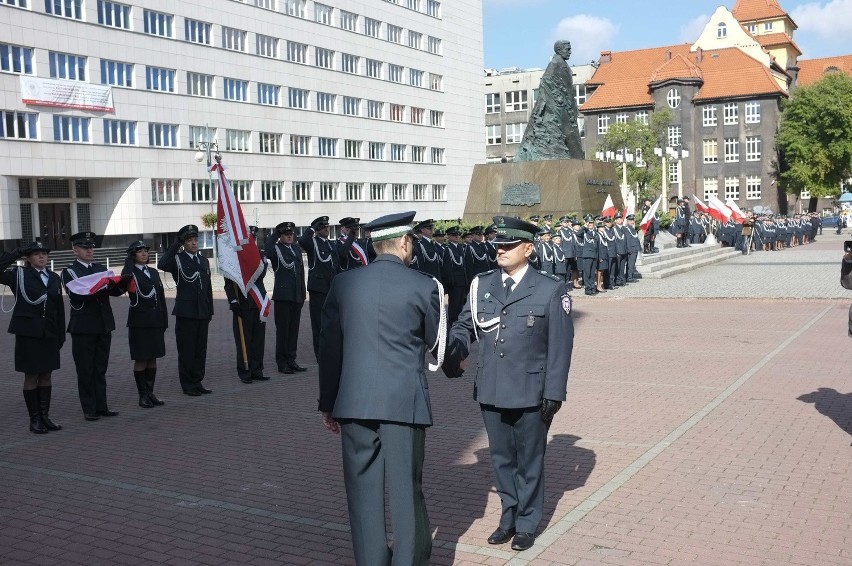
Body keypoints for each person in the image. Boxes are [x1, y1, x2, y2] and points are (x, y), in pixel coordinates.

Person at [319, 211, 445, 566]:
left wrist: (327, 403)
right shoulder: (423, 285)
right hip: (403, 403)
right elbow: (437, 344)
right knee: (407, 492)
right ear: (404, 242)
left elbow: (329, 349)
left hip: (354, 403)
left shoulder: (344, 283)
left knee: (362, 495)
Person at [444, 215, 573, 552]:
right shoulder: (482, 284)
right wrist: (457, 346)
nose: (499, 249)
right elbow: (464, 323)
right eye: (497, 244)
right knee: (501, 460)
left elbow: (561, 347)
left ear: (528, 249)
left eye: (508, 245)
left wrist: (554, 393)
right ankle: (509, 517)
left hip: (532, 391)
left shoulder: (549, 288)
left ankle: (528, 523)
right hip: (491, 387)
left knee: (529, 460)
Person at [0, 242, 65, 434]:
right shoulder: (19, 275)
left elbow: (59, 308)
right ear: (28, 258)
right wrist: (16, 253)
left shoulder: (54, 277)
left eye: (44, 254)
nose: (42, 257)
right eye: (36, 254)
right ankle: (34, 419)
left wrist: (60, 334)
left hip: (49, 332)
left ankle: (45, 416)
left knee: (46, 374)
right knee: (31, 376)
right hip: (28, 332)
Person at [61, 231, 125, 421]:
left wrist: (121, 285)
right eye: (85, 247)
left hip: (103, 324)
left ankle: (102, 405)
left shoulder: (100, 268)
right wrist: (101, 285)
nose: (90, 250)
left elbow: (111, 292)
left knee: (100, 367)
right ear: (75, 250)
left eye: (91, 247)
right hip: (84, 326)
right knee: (85, 368)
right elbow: (78, 293)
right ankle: (89, 408)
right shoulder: (70, 271)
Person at [158, 224, 214, 396]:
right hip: (186, 312)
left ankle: (197, 381)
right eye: (189, 240)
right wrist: (176, 244)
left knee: (200, 350)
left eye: (195, 239)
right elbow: (162, 264)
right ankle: (187, 384)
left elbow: (208, 288)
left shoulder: (203, 261)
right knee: (187, 350)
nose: (194, 243)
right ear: (184, 243)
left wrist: (209, 310)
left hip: (202, 312)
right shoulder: (178, 259)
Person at [122, 241, 168, 408]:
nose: (144, 254)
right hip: (139, 322)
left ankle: (150, 392)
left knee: (153, 358)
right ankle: (142, 396)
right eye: (139, 252)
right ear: (133, 255)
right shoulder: (130, 272)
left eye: (145, 251)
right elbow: (123, 282)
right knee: (141, 359)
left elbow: (161, 297)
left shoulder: (153, 272)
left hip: (155, 319)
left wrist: (164, 319)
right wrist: (128, 264)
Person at [224, 234, 270, 385]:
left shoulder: (260, 255)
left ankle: (257, 370)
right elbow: (229, 281)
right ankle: (245, 371)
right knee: (244, 338)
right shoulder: (235, 257)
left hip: (258, 302)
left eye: (253, 239)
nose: (251, 241)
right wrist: (233, 300)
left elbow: (261, 275)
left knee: (258, 339)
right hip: (243, 303)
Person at [265, 221, 308, 374]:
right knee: (283, 331)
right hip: (283, 297)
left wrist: (303, 293)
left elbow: (301, 273)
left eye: (291, 234)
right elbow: (266, 250)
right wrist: (275, 233)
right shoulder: (276, 249)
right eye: (286, 234)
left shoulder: (296, 249)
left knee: (293, 331)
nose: (289, 236)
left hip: (296, 296)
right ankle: (282, 362)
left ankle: (291, 359)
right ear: (281, 236)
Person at [298, 216, 339, 362]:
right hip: (318, 289)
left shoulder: (331, 244)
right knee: (319, 323)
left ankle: (330, 350)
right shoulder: (312, 243)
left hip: (331, 288)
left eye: (327, 227)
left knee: (331, 322)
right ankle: (320, 354)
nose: (326, 229)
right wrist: (313, 228)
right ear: (317, 229)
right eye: (323, 227)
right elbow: (302, 241)